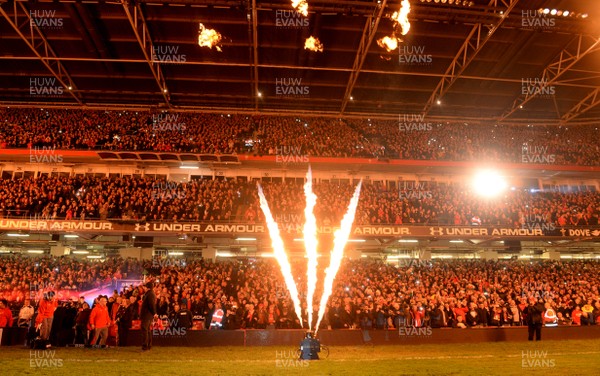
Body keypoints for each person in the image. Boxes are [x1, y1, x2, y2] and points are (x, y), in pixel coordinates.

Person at [140, 282, 157, 351]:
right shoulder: (149, 294)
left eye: (145, 287)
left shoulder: (150, 294)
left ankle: (145, 346)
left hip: (147, 315)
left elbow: (151, 305)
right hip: (148, 315)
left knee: (145, 330)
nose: (144, 288)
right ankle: (148, 345)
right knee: (148, 330)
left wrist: (154, 313)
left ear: (147, 287)